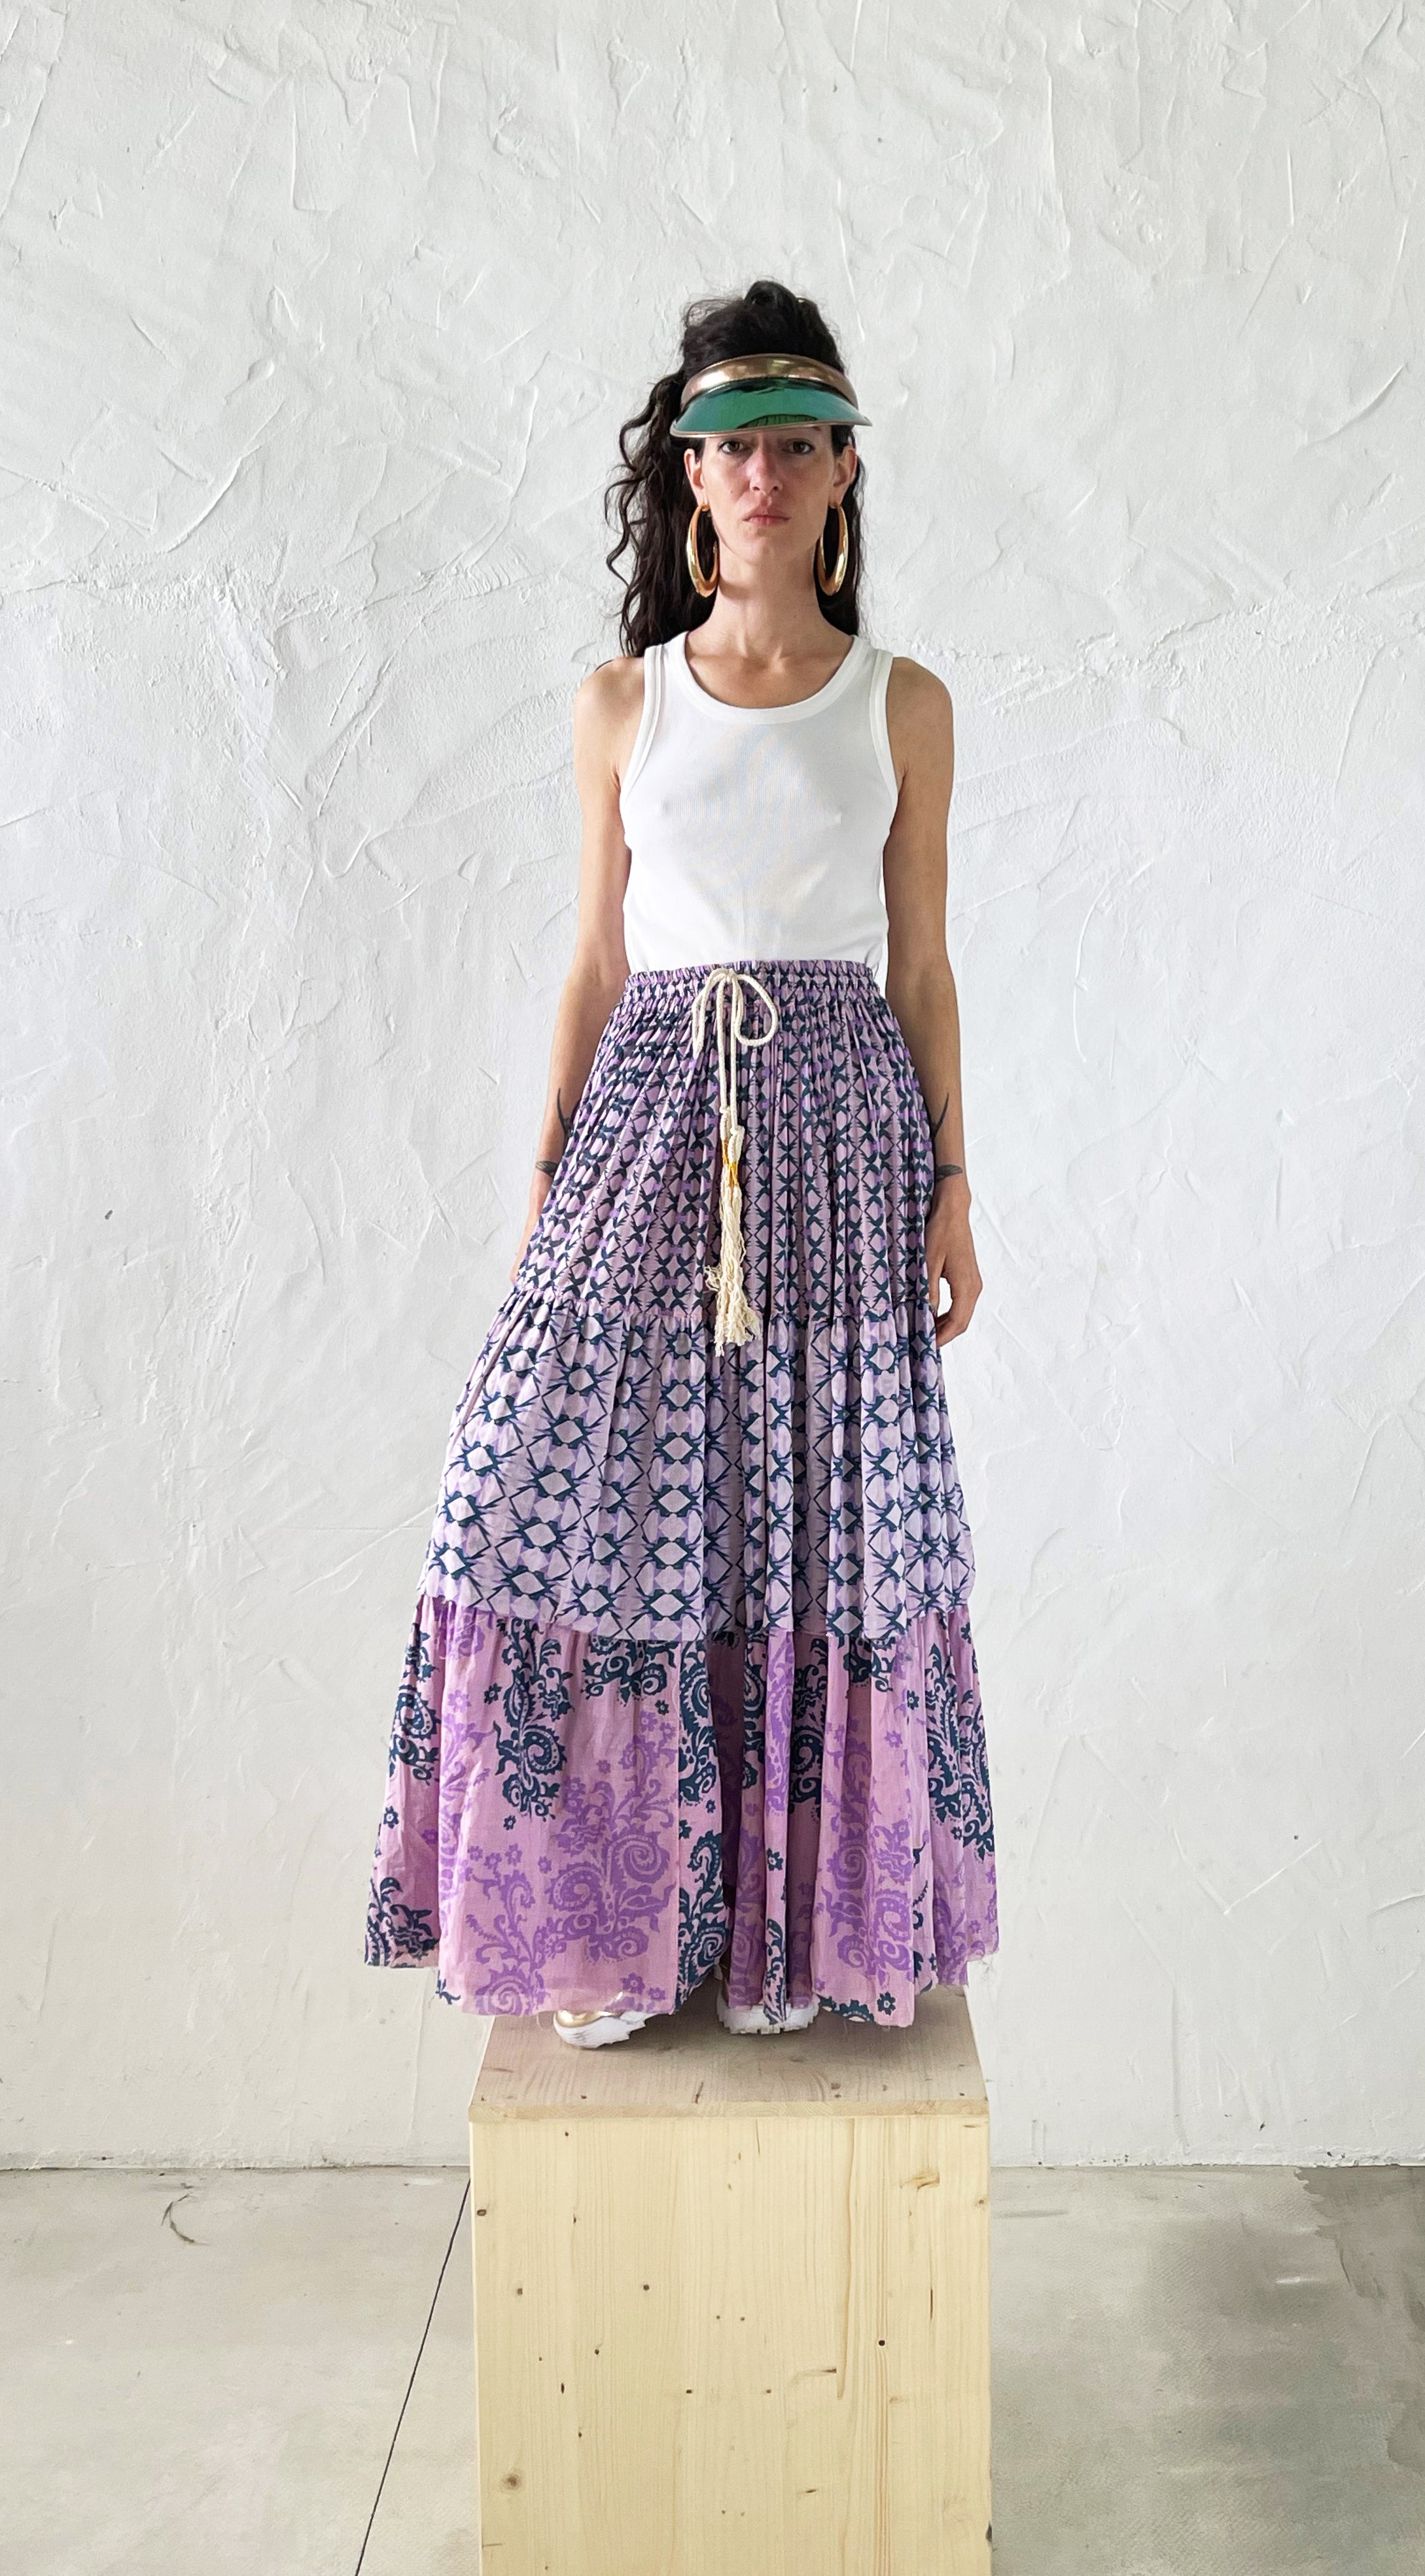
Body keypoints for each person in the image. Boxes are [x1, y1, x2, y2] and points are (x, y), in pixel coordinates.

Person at [363, 279, 998, 2047]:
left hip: (845, 1130)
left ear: (843, 469)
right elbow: (595, 958)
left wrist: (956, 1185)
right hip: (651, 1119)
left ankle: (803, 1934)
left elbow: (924, 964)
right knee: (540, 1485)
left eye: (795, 445)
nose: (763, 476)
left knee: (815, 1515)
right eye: (732, 449)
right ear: (692, 477)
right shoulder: (620, 704)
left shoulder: (904, 704)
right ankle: (605, 1920)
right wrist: (543, 1171)